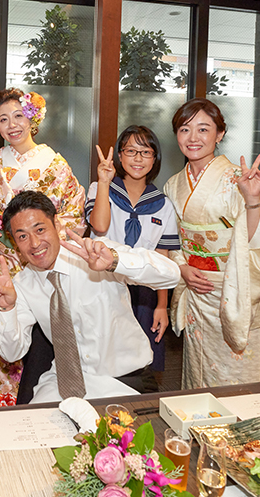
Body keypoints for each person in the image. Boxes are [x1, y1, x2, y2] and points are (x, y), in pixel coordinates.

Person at [0, 191, 180, 403]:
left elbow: (171, 275)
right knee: (29, 429)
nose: (34, 243)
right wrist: (6, 309)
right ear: (15, 244)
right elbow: (12, 353)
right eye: (22, 236)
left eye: (40, 230)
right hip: (63, 382)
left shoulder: (97, 254)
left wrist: (115, 262)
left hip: (123, 380)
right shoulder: (22, 285)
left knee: (117, 435)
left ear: (57, 225)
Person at [0, 87, 86, 407]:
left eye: (18, 115)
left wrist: (42, 236)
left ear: (32, 117)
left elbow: (72, 211)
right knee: (0, 341)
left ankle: (41, 406)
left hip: (38, 265)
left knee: (41, 350)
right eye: (3, 119)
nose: (11, 125)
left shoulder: (55, 164)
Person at [163, 98, 260, 389]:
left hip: (234, 289)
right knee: (198, 375)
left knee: (236, 379)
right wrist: (181, 267)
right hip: (197, 289)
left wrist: (253, 200)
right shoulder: (173, 185)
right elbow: (171, 238)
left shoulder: (238, 179)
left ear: (219, 134)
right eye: (184, 129)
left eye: (203, 129)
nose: (193, 138)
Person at [85, 126, 180, 378]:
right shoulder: (99, 189)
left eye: (146, 152)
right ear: (119, 155)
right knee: (102, 355)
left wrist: (163, 306)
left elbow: (162, 259)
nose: (138, 159)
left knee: (142, 365)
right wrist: (105, 181)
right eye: (131, 151)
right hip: (104, 284)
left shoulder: (163, 204)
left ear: (155, 158)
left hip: (144, 293)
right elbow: (100, 226)